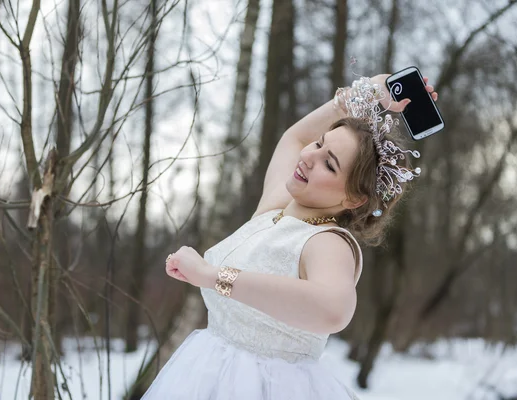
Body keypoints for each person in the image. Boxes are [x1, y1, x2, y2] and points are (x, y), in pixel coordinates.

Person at [141, 73, 439, 399]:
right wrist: (366, 94)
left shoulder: (328, 242)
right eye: (320, 143)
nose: (309, 157)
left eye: (329, 164)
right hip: (206, 375)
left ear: (354, 199)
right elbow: (295, 138)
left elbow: (334, 310)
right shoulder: (276, 209)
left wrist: (214, 277)